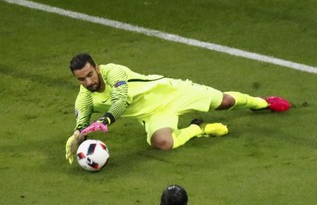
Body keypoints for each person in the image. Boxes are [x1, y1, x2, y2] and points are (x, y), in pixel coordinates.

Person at [65, 53, 290, 163]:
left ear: (97, 67)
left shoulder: (114, 71)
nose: (88, 82)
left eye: (90, 75)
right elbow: (82, 121)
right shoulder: (84, 98)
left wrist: (105, 120)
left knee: (226, 102)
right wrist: (78, 135)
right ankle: (198, 129)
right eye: (81, 80)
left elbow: (121, 99)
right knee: (162, 143)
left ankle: (261, 102)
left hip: (173, 92)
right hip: (154, 114)